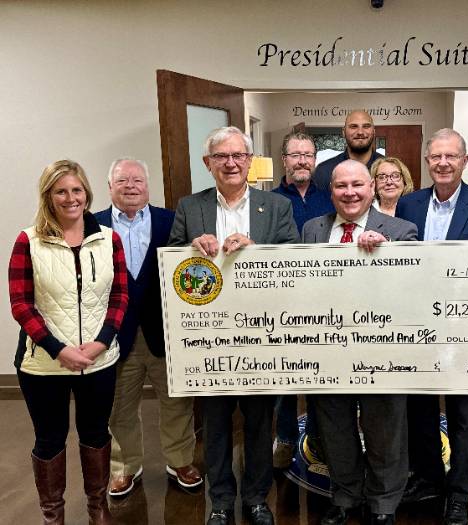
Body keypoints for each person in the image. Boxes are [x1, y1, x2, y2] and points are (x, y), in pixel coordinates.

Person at [168, 126, 299, 525]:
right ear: (208, 164)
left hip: (261, 335)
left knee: (260, 422)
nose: (230, 163)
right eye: (221, 157)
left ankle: (257, 499)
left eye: (238, 155)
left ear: (249, 160)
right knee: (217, 424)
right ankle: (221, 501)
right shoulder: (191, 207)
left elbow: (296, 257)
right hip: (210, 338)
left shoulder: (275, 206)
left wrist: (258, 253)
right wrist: (190, 249)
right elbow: (170, 257)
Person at [395, 129, 468, 525]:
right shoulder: (408, 205)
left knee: (464, 415)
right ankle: (427, 478)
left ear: (464, 160)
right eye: (435, 157)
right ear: (427, 162)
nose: (442, 163)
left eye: (451, 156)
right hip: (419, 325)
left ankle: (459, 492)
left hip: (466, 328)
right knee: (419, 410)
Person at [9, 159, 128, 524]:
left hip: (99, 360)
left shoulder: (109, 238)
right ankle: (53, 515)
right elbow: (21, 304)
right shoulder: (28, 240)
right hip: (44, 364)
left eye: (76, 190)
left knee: (95, 433)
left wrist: (100, 344)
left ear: (87, 193)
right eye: (61, 191)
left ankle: (97, 506)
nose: (70, 197)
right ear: (49, 195)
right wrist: (57, 349)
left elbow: (120, 297)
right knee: (49, 440)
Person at [303, 159, 417, 525]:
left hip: (382, 349)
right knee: (335, 428)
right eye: (341, 186)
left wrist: (389, 254)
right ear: (331, 191)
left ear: (372, 188)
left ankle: (383, 503)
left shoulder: (402, 230)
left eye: (357, 185)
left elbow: (416, 287)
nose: (349, 193)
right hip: (328, 349)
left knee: (385, 428)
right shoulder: (312, 229)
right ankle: (345, 496)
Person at [93, 158, 201, 497]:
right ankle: (124, 467)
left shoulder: (172, 221)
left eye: (137, 180)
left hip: (166, 332)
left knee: (176, 402)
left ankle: (180, 461)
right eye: (122, 180)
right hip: (113, 335)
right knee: (119, 406)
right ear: (109, 186)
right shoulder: (91, 226)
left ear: (147, 185)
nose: (131, 186)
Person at [270, 131, 333, 468]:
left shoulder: (331, 197)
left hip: (325, 300)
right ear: (284, 160)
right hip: (283, 301)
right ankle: (285, 438)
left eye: (308, 154)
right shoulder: (267, 201)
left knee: (321, 376)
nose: (302, 161)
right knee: (283, 378)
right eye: (295, 154)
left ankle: (321, 439)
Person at [313, 110, 384, 192]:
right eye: (353, 126)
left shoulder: (388, 169)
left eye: (366, 126)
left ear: (374, 131)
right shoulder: (324, 171)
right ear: (343, 132)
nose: (360, 132)